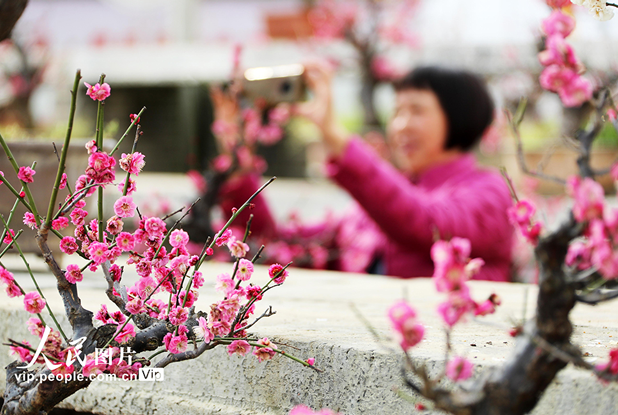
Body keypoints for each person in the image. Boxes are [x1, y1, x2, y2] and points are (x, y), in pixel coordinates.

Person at [216, 64, 514, 281]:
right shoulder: (368, 213)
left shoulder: (489, 191)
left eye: (417, 110)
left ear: (460, 118)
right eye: (397, 111)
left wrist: (335, 137)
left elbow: (424, 223)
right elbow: (281, 244)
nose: (400, 125)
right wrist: (236, 157)